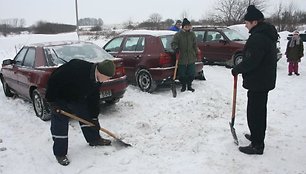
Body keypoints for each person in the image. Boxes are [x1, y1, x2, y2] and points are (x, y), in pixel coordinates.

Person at [45, 59, 115, 166]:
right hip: (59, 97)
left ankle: (94, 139)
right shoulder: (77, 67)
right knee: (60, 125)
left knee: (87, 116)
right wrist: (51, 101)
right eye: (107, 77)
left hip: (76, 97)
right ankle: (60, 153)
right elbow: (54, 79)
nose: (107, 80)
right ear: (100, 72)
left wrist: (94, 118)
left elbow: (93, 98)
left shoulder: (97, 79)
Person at [231, 5, 278, 155]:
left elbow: (251, 61)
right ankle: (256, 136)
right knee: (257, 111)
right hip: (262, 80)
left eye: (247, 22)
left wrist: (237, 69)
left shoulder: (258, 38)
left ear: (255, 22)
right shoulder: (265, 34)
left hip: (259, 81)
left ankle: (257, 145)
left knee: (255, 113)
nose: (245, 25)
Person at [171, 18, 198, 92]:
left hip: (191, 57)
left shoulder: (192, 34)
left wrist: (197, 53)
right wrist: (176, 48)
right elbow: (173, 43)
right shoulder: (178, 35)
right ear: (183, 27)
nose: (188, 28)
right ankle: (183, 86)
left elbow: (195, 45)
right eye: (186, 26)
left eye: (189, 26)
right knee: (182, 74)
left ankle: (189, 86)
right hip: (181, 57)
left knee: (191, 73)